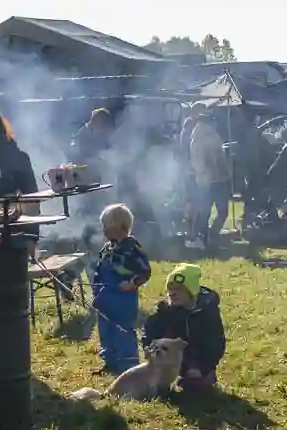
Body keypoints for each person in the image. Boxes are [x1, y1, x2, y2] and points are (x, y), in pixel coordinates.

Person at [90, 203, 154, 374]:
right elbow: (98, 271)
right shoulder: (106, 249)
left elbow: (145, 270)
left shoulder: (132, 248)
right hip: (105, 297)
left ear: (121, 227)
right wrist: (96, 291)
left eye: (107, 227)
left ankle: (128, 365)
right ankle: (110, 360)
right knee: (105, 330)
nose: (104, 231)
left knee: (123, 330)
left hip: (123, 299)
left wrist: (132, 283)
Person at [142, 262, 226, 391]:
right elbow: (149, 330)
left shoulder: (207, 311)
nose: (172, 293)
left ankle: (202, 376)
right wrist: (148, 347)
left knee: (197, 389)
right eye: (170, 288)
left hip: (197, 359)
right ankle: (166, 377)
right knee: (155, 387)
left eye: (178, 289)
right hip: (171, 359)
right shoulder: (165, 309)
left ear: (191, 292)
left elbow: (216, 344)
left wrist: (202, 367)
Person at [189, 112, 232, 245]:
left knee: (204, 212)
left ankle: (200, 237)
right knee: (222, 211)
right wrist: (226, 171)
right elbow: (216, 156)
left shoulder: (195, 134)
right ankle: (210, 236)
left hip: (203, 179)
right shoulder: (209, 134)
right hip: (215, 179)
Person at [67, 107, 116, 173]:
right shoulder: (82, 135)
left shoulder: (100, 133)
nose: (104, 126)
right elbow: (78, 155)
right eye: (103, 122)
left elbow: (107, 150)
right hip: (83, 170)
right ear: (96, 120)